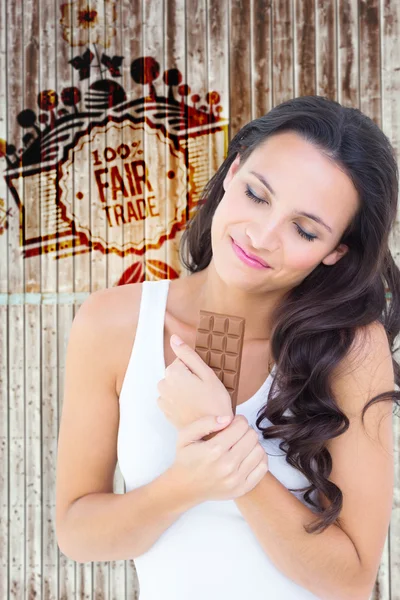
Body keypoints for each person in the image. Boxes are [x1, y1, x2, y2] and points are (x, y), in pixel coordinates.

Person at [55, 95, 400, 599]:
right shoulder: (113, 324)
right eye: (257, 195)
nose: (261, 236)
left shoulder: (350, 348)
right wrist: (188, 482)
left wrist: (225, 448)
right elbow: (78, 533)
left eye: (304, 230)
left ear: (336, 252)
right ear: (233, 172)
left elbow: (349, 580)